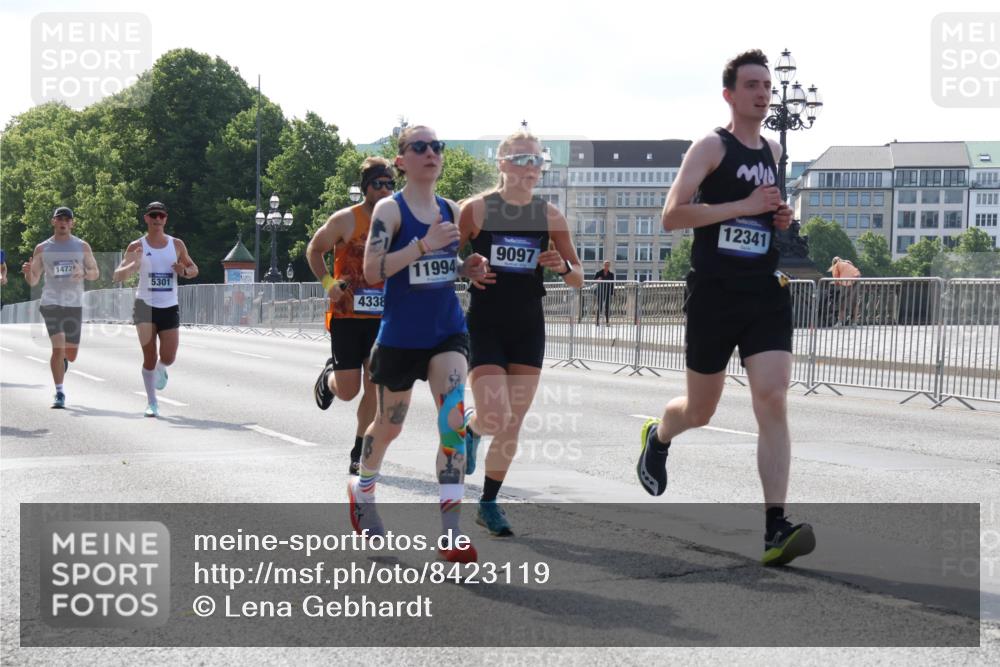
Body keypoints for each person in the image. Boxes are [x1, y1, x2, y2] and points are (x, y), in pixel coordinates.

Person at [636, 49, 815, 567]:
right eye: (753, 85)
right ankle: (660, 433)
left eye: (767, 86)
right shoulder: (711, 147)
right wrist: (743, 207)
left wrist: (777, 219)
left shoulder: (775, 152)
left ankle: (774, 527)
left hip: (763, 291)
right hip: (715, 292)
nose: (763, 93)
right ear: (730, 95)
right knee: (701, 409)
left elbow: (765, 215)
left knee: (773, 397)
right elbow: (672, 216)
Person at [352, 125, 491, 563]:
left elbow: (443, 264)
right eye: (420, 147)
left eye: (437, 146)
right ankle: (363, 488)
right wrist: (421, 244)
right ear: (401, 160)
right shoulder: (390, 213)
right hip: (399, 336)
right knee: (389, 426)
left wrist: (465, 266)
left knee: (451, 423)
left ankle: (451, 535)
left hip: (446, 330)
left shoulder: (449, 208)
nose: (431, 153)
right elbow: (374, 271)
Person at [458, 129, 584, 536]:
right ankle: (472, 426)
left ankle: (489, 503)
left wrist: (560, 267)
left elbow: (579, 277)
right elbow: (444, 258)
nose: (531, 167)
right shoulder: (475, 211)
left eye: (537, 160)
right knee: (496, 416)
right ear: (502, 163)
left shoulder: (550, 216)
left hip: (528, 324)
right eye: (522, 159)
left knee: (513, 422)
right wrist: (466, 269)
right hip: (486, 321)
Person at [309, 157, 395, 475]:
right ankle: (329, 378)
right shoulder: (346, 220)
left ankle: (359, 452)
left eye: (390, 184)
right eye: (379, 184)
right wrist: (329, 284)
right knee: (348, 391)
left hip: (382, 317)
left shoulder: (397, 221)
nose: (385, 189)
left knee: (375, 386)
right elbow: (314, 249)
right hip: (346, 314)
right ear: (366, 188)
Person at [112, 202, 198, 417]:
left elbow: (194, 269)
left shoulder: (176, 244)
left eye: (161, 215)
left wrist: (184, 271)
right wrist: (134, 264)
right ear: (147, 219)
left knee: (168, 356)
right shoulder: (137, 246)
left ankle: (162, 368)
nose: (157, 219)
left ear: (165, 219)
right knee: (149, 356)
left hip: (169, 306)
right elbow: (117, 275)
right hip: (144, 306)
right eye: (153, 215)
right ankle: (152, 403)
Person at [20, 207, 100, 408]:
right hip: (51, 302)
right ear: (53, 222)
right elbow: (34, 281)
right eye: (60, 219)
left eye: (67, 219)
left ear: (72, 223)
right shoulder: (42, 248)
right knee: (58, 347)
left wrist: (84, 272)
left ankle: (62, 360)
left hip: (73, 304)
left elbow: (95, 273)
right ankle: (59, 393)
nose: (63, 222)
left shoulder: (81, 246)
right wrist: (28, 272)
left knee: (70, 354)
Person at [828, 256, 861, 326]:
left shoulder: (836, 265)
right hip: (857, 278)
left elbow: (836, 279)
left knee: (842, 302)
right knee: (854, 302)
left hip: (847, 280)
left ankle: (840, 321)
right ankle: (854, 322)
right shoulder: (848, 262)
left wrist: (837, 285)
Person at [593, 260, 614, 326]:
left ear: (609, 266)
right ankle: (597, 322)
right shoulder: (599, 273)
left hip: (607, 292)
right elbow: (594, 280)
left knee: (607, 307)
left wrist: (612, 293)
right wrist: (597, 280)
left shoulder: (611, 274)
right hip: (600, 291)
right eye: (605, 265)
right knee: (599, 307)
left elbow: (612, 284)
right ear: (603, 265)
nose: (606, 266)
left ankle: (607, 322)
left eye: (608, 265)